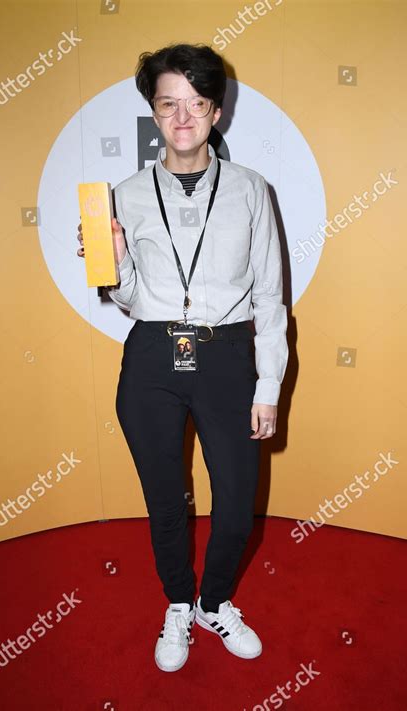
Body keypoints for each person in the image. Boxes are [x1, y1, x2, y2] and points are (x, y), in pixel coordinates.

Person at [77, 43, 288, 673]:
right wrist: (111, 263)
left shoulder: (251, 190)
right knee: (166, 502)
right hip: (152, 359)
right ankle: (177, 602)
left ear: (216, 111)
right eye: (169, 104)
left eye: (196, 103)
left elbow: (270, 295)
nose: (183, 117)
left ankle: (214, 603)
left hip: (228, 358)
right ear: (154, 112)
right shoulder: (124, 195)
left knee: (235, 508)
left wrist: (268, 386)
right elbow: (127, 298)